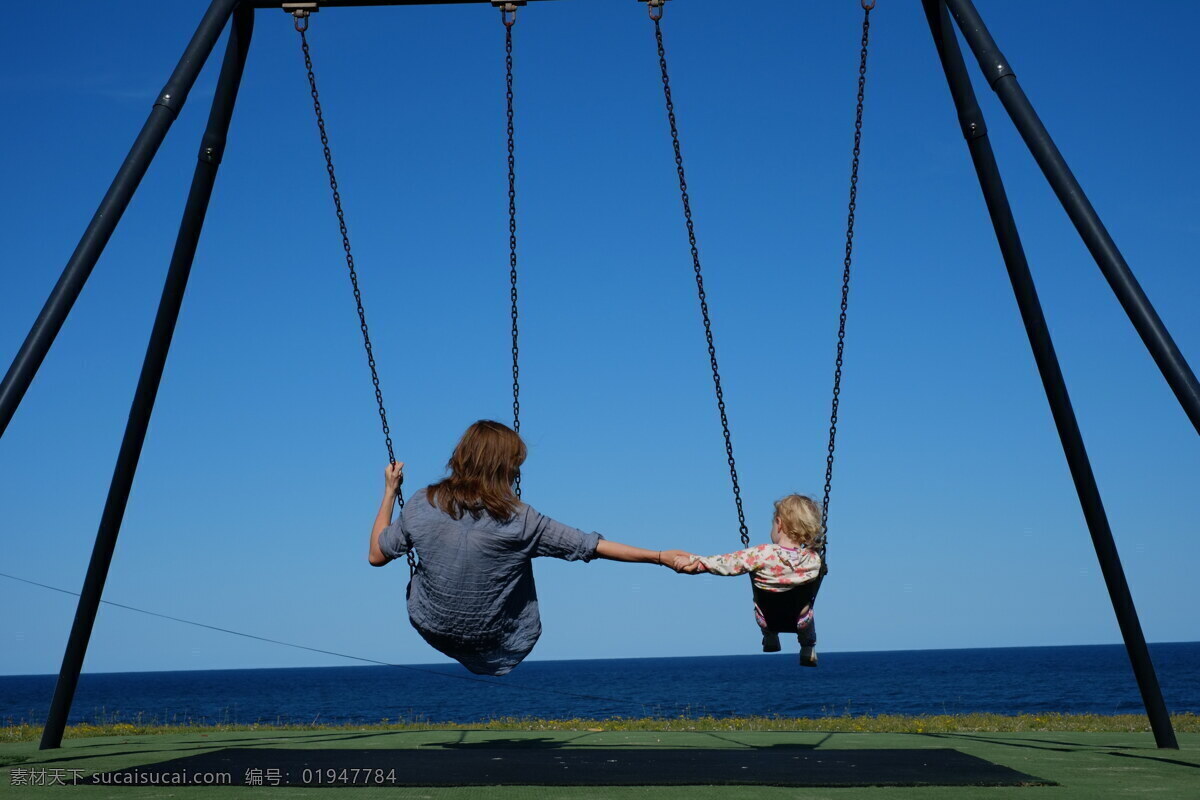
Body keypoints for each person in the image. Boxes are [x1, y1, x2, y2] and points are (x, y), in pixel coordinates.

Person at [368, 420, 695, 676]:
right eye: (515, 464)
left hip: (431, 623)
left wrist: (388, 491)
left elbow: (376, 555)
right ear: (505, 467)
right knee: (519, 561)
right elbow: (591, 546)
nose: (518, 470)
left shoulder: (422, 503)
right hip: (494, 635)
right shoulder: (521, 520)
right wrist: (660, 557)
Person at [677, 495, 824, 666]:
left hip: (767, 619)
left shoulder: (760, 554)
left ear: (779, 523)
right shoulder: (813, 559)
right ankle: (807, 648)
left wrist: (696, 561)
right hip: (801, 620)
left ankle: (770, 637)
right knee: (807, 617)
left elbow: (725, 563)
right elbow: (817, 552)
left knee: (765, 606)